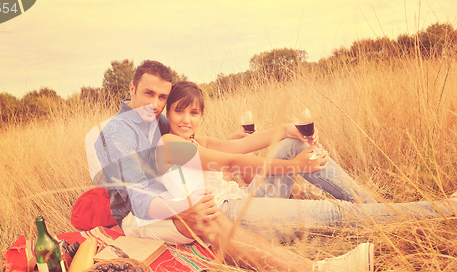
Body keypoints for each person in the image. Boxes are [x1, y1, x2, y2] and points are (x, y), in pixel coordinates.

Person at [90, 60, 376, 272]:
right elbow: (138, 194)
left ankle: (375, 207)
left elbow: (196, 151)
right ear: (132, 88)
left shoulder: (161, 120)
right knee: (207, 212)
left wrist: (286, 130)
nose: (155, 104)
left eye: (162, 97)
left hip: (180, 197)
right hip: (138, 215)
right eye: (148, 94)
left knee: (285, 149)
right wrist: (181, 207)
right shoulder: (116, 133)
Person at [158, 81, 457, 242]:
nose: (186, 119)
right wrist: (294, 167)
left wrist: (288, 129)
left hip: (247, 204)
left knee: (290, 142)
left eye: (194, 113)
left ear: (201, 116)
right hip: (235, 221)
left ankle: (376, 207)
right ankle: (445, 210)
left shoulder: (198, 141)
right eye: (179, 111)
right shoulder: (169, 144)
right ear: (167, 113)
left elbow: (249, 142)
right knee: (337, 213)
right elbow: (236, 162)